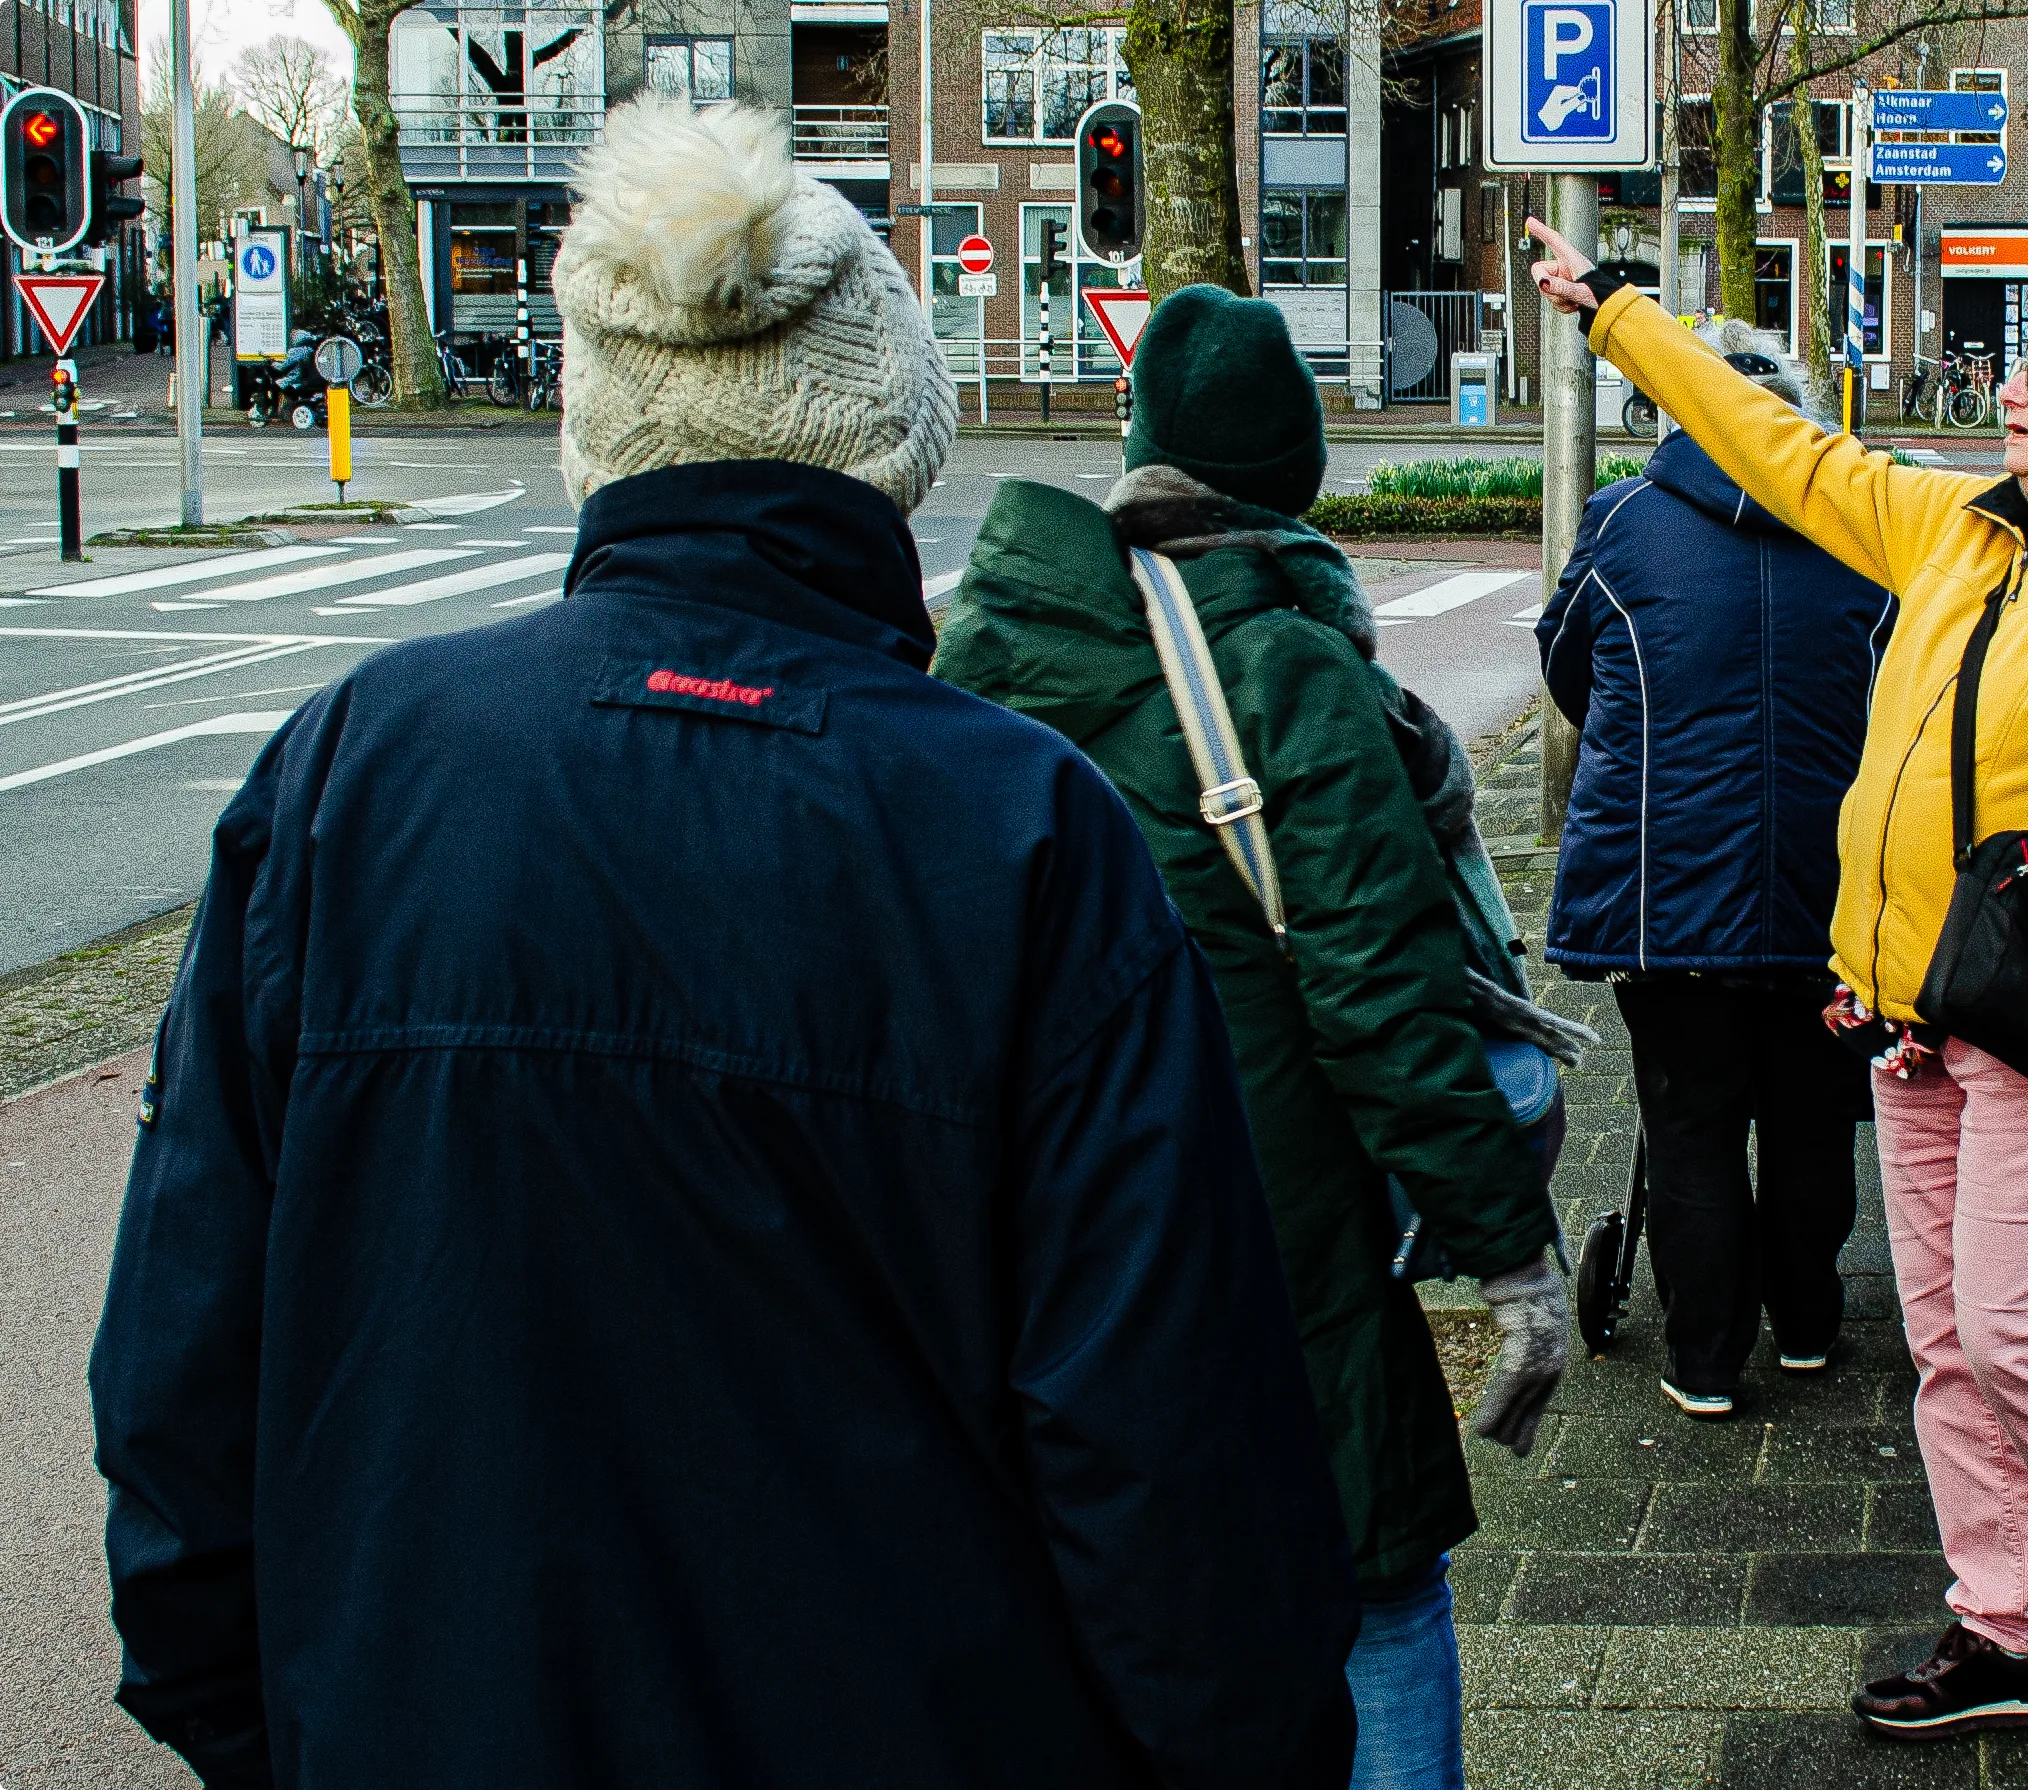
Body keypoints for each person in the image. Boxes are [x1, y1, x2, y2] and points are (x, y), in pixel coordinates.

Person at [88, 98, 1361, 1790]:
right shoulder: (1020, 828)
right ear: (894, 432)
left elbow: (181, 1373)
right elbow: (1171, 1450)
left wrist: (285, 1724)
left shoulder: (352, 775)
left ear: (594, 426)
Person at [1526, 222, 2028, 1753]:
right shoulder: (1955, 529)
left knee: (2019, 1333)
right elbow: (1775, 448)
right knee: (1952, 1346)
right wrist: (1619, 316)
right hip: (1907, 1014)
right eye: (2019, 364)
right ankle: (2006, 1628)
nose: (2011, 389)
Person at [934, 284, 1575, 1790]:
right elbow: (1380, 1000)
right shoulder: (1289, 667)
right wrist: (1514, 1261)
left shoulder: (988, 650)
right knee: (1376, 1587)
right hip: (1274, 1226)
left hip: (1046, 1226)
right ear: (1295, 473)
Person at [1537, 319, 1889, 1422]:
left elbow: (1567, 663)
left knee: (1688, 1121)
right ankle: (1808, 1322)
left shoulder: (1626, 521)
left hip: (1663, 887)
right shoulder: (1859, 526)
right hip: (1828, 882)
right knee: (1812, 1114)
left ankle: (1703, 1359)